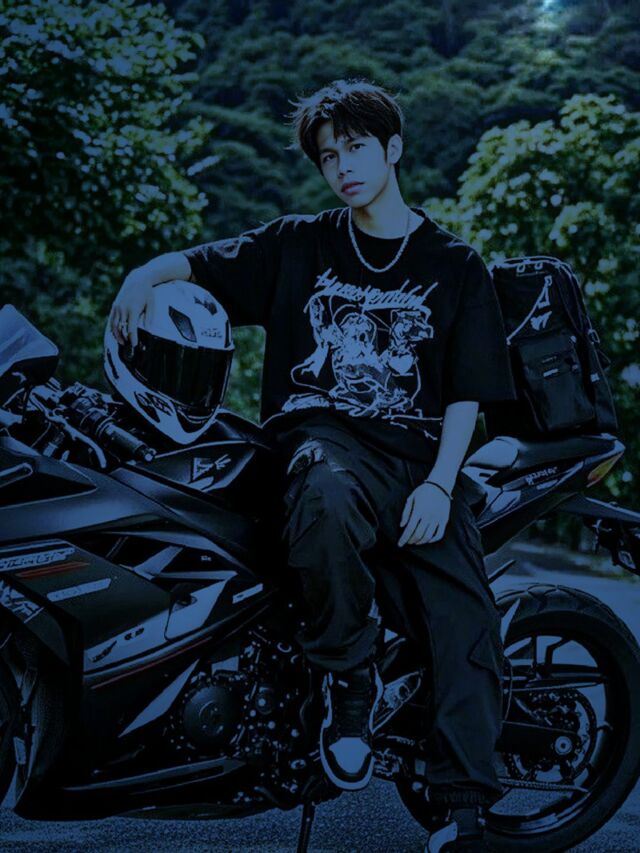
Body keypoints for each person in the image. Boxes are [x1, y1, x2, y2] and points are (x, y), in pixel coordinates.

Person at [109, 78, 517, 852]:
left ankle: (465, 810)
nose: (343, 167)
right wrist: (141, 276)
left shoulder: (455, 264)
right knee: (322, 496)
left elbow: (467, 393)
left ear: (393, 149)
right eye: (329, 156)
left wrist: (439, 483)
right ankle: (349, 678)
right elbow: (200, 265)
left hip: (420, 463)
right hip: (324, 444)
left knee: (466, 620)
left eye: (357, 148)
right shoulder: (297, 244)